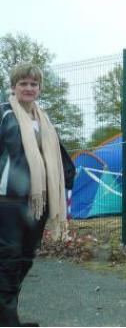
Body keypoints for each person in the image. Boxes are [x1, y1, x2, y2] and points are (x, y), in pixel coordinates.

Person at [0, 63, 71, 327]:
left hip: (37, 201)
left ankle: (8, 314)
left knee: (26, 259)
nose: (29, 88)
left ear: (39, 88)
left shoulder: (43, 119)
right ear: (14, 86)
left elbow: (54, 155)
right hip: (8, 200)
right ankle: (7, 321)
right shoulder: (5, 114)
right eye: (23, 83)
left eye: (33, 84)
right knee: (9, 259)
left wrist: (68, 178)